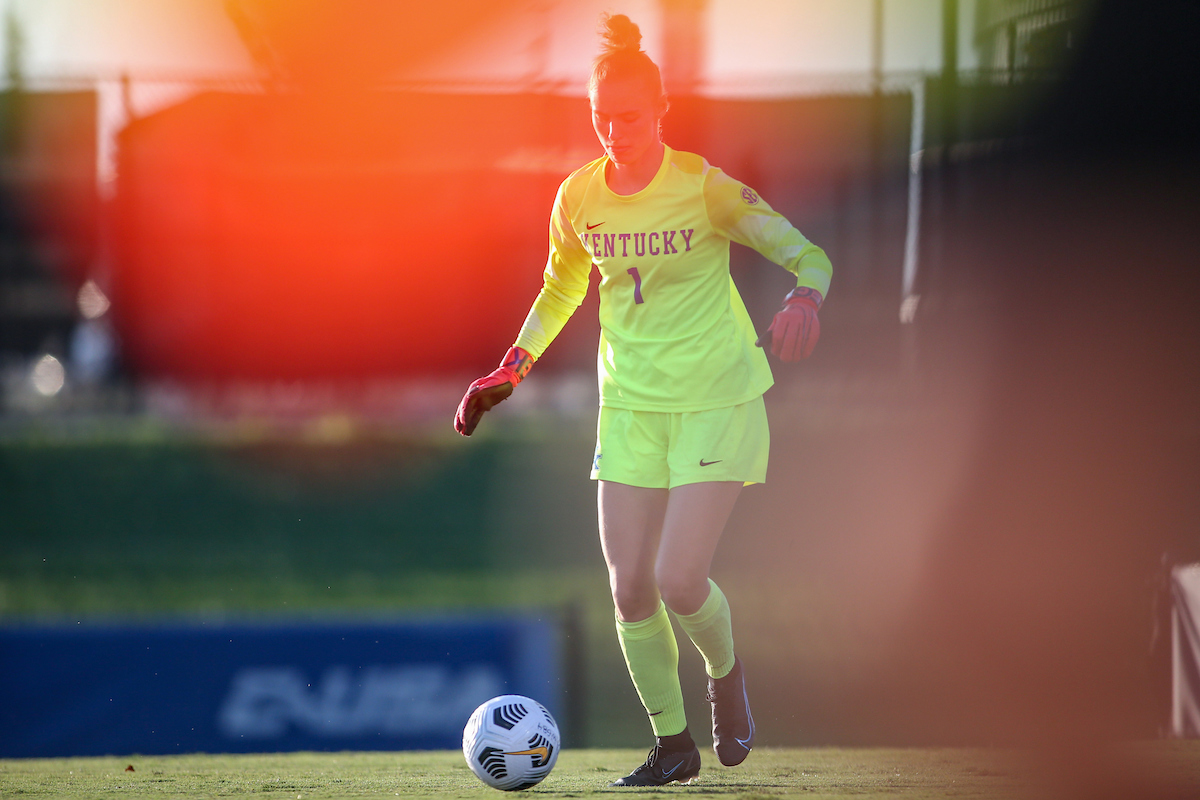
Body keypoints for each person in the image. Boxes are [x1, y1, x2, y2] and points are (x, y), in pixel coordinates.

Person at [454, 13, 832, 787]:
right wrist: (510, 369)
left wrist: (805, 299)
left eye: (628, 116)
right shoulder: (577, 198)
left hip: (718, 398)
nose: (613, 131)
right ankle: (673, 746)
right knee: (629, 586)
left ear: (660, 110)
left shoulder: (704, 188)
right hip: (628, 409)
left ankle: (726, 675)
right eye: (600, 118)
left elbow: (807, 251)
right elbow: (560, 288)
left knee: (679, 580)